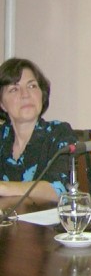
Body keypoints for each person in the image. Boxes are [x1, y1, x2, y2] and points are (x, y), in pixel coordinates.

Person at [0, 58, 76, 202]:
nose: (25, 94)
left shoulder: (59, 133)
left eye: (32, 86)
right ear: (2, 104)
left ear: (42, 94)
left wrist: (4, 187)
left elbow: (57, 189)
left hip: (50, 224)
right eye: (14, 89)